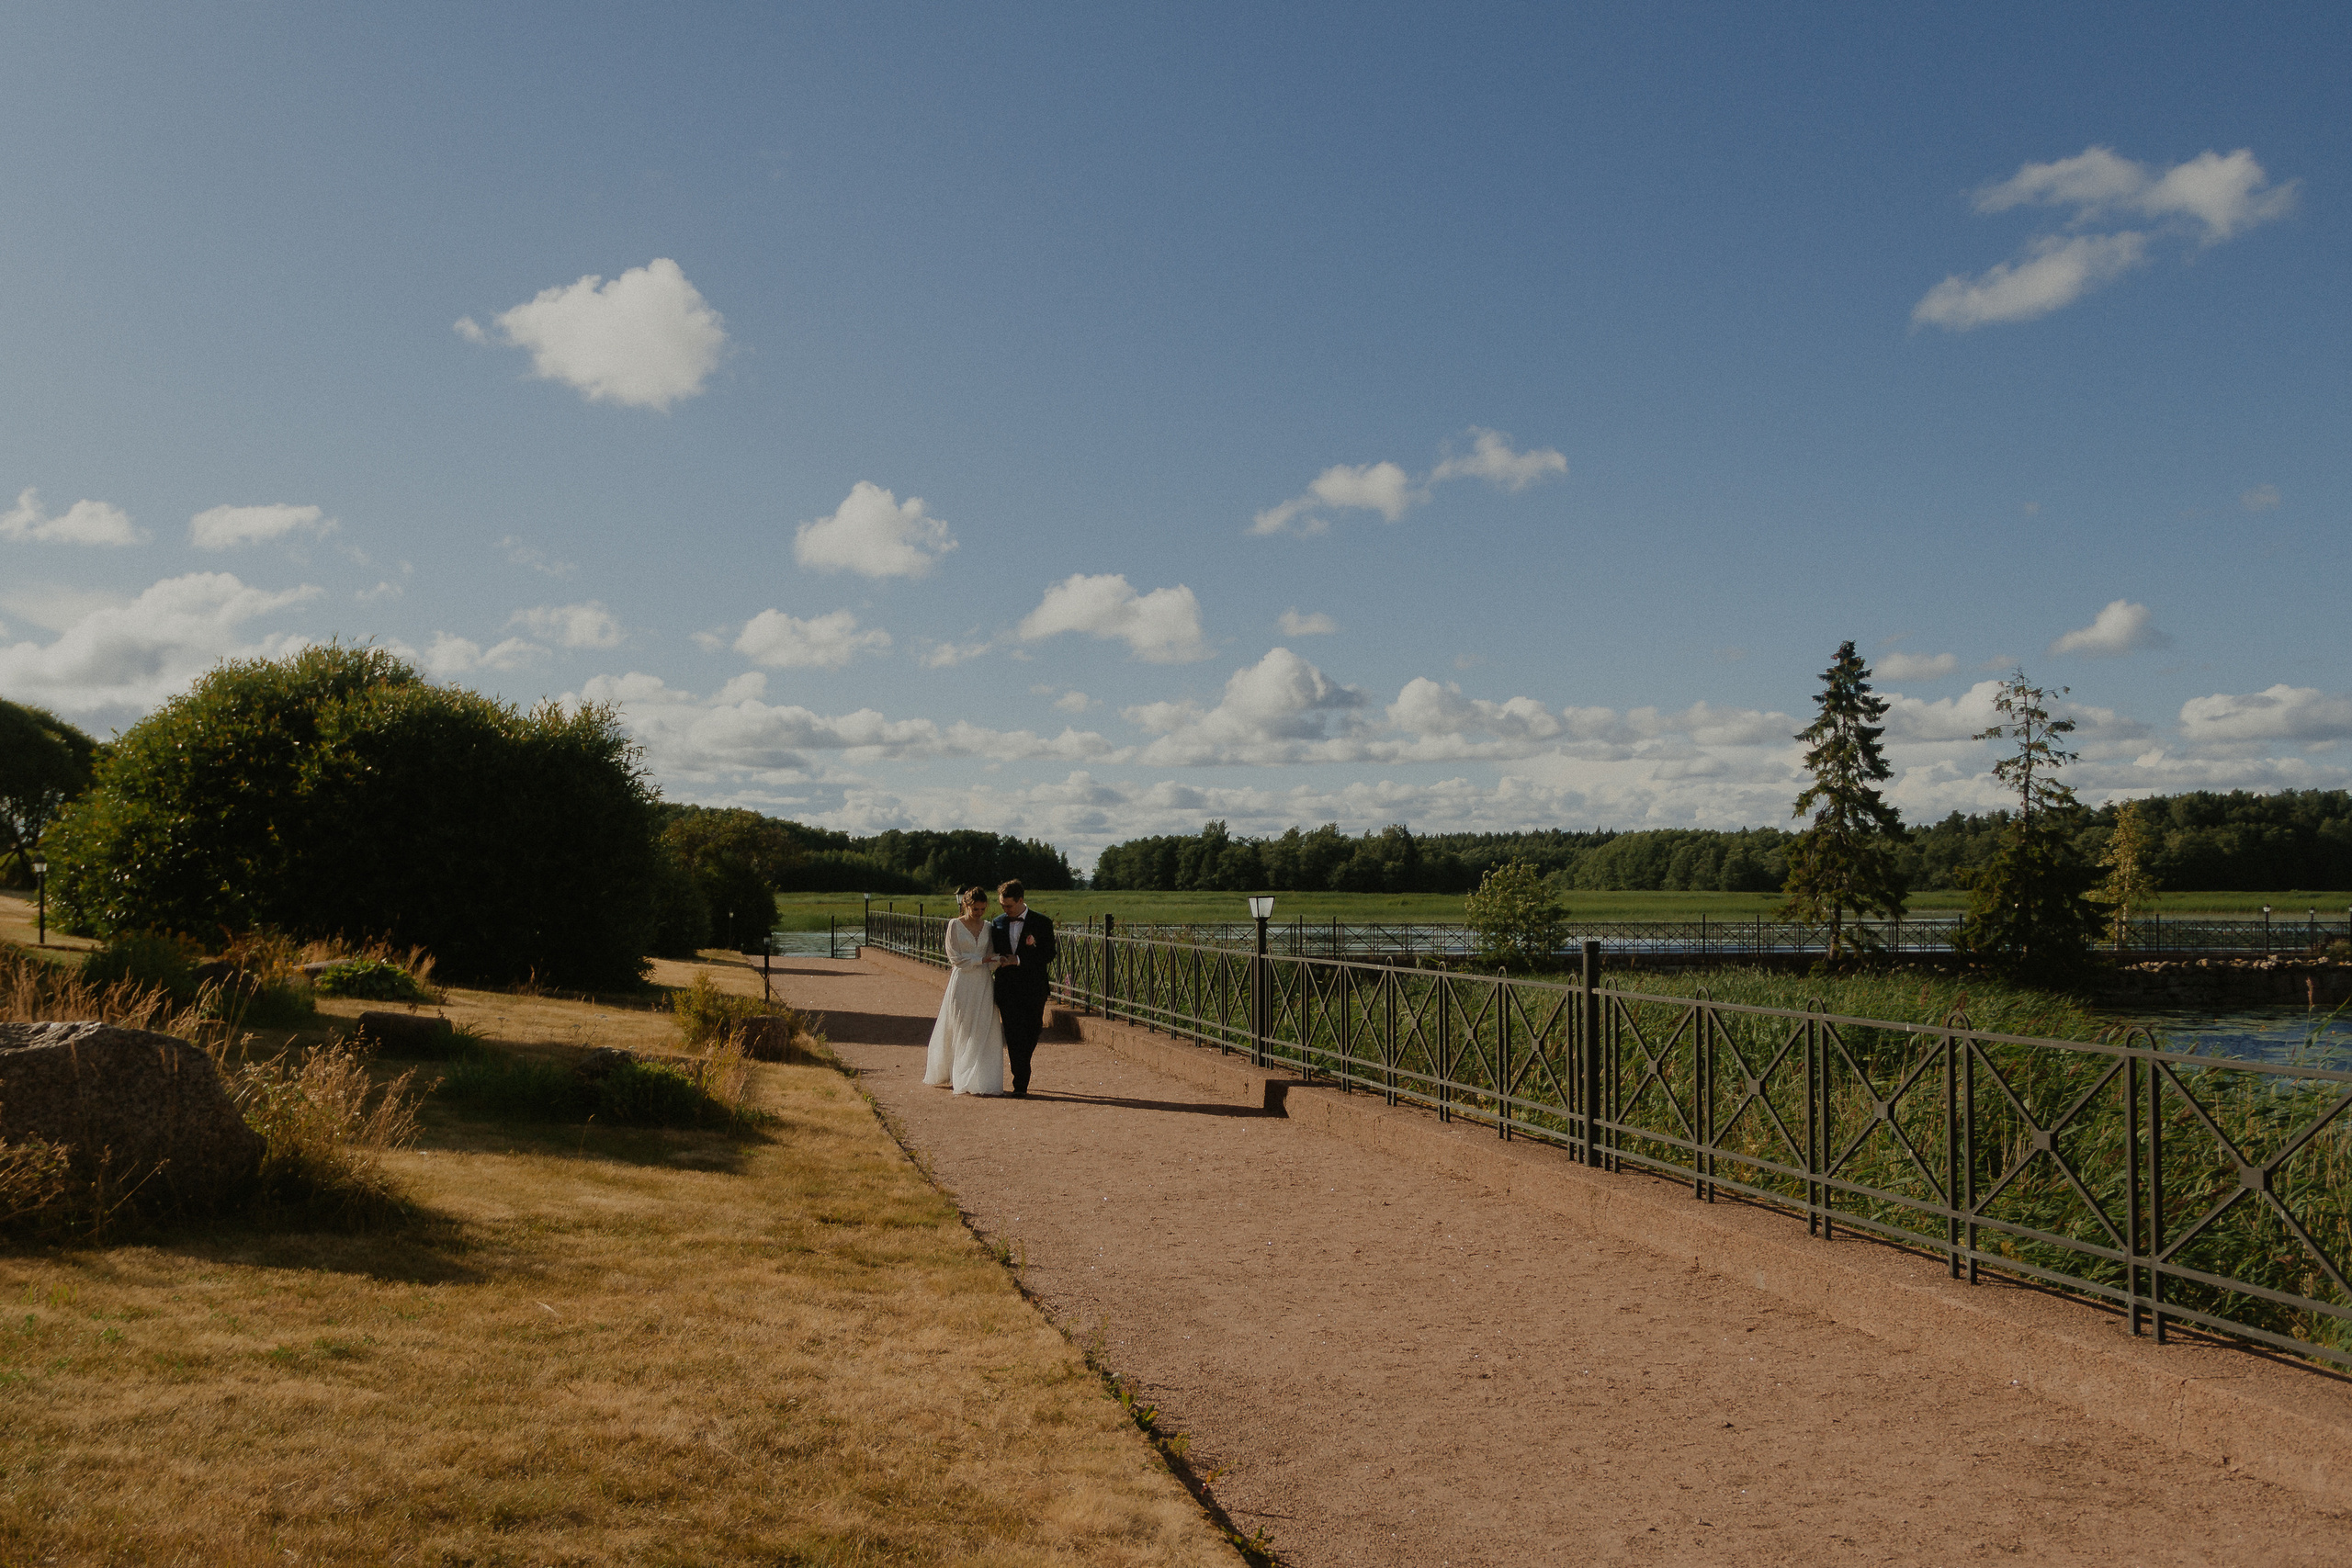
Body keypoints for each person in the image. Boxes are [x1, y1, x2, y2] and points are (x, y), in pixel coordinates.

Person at [922, 886, 1008, 1096]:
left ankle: (979, 1075)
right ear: (966, 905)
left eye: (982, 909)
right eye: (975, 909)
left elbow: (990, 956)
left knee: (982, 1026)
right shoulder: (955, 925)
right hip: (962, 981)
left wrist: (998, 960)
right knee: (961, 1024)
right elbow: (955, 958)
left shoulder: (988, 927)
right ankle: (958, 1072)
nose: (979, 913)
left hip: (983, 982)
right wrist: (981, 960)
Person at [989, 879, 1057, 1097]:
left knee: (1032, 1031)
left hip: (1034, 987)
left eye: (1008, 905)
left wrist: (1018, 959)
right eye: (1002, 906)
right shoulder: (997, 923)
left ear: (1021, 900)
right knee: (1013, 1034)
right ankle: (1020, 1083)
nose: (1005, 910)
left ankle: (1021, 1066)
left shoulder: (1042, 923)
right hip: (1007, 989)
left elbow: (1048, 954)